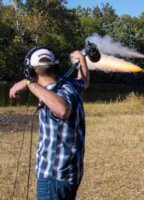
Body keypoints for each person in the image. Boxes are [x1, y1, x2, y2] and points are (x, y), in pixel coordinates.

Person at [9, 47, 89, 199]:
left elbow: (62, 109)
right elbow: (84, 81)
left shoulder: (54, 94)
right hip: (70, 175)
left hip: (54, 178)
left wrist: (29, 84)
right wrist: (82, 61)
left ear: (29, 71)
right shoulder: (70, 86)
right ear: (56, 66)